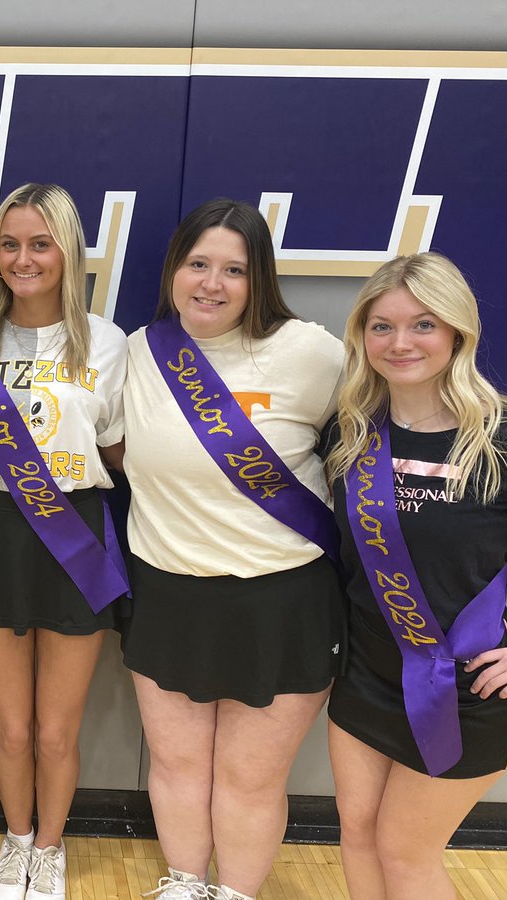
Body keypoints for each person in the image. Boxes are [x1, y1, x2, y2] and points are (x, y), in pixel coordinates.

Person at [120, 199, 345, 900]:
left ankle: (237, 894)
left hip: (281, 598)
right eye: (198, 265)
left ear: (260, 280)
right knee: (178, 766)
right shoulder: (139, 351)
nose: (211, 284)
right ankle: (185, 884)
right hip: (168, 591)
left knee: (252, 780)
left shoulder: (313, 352)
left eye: (234, 270)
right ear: (173, 271)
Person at [322, 252, 507, 900]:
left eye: (423, 324)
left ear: (458, 332)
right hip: (368, 674)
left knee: (405, 853)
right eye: (382, 326)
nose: (400, 343)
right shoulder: (349, 434)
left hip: (465, 687)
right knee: (358, 832)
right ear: (362, 335)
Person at [0, 183, 128, 900]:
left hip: (75, 531)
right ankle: (16, 840)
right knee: (12, 727)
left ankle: (51, 848)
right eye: (10, 245)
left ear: (68, 252)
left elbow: (115, 451)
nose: (24, 259)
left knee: (56, 730)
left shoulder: (107, 343)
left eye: (40, 244)